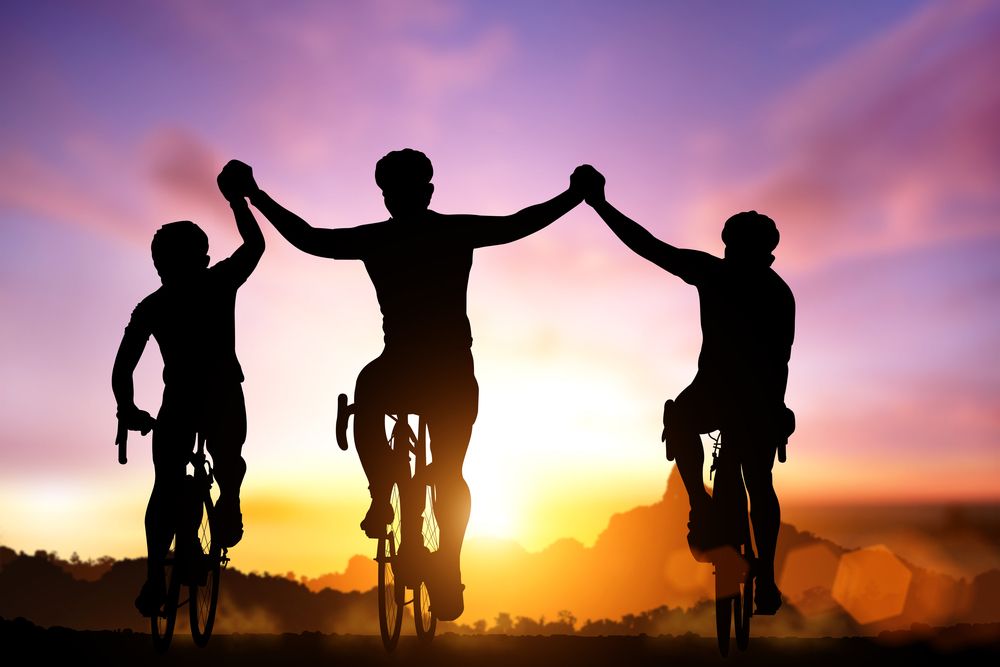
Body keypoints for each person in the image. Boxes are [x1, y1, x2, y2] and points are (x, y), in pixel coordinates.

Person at [218, 152, 593, 620]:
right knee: (447, 469)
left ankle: (387, 502)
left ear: (405, 195)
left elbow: (310, 239)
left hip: (413, 369)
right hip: (450, 372)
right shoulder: (452, 231)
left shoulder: (382, 237)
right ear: (424, 192)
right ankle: (423, 543)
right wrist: (576, 197)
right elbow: (520, 223)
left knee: (379, 402)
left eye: (398, 192)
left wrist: (254, 196)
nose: (398, 200)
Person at [579, 165, 794, 615]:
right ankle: (766, 577)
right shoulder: (778, 292)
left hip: (721, 395)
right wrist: (777, 412)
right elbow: (781, 360)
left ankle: (700, 506)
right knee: (759, 482)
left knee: (681, 421)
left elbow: (650, 248)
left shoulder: (714, 273)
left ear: (730, 246)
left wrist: (600, 205)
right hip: (758, 402)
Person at [112, 169, 265, 617]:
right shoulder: (217, 282)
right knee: (227, 458)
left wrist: (127, 407)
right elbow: (255, 248)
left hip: (180, 401)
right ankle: (229, 503)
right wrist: (238, 202)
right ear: (202, 258)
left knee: (166, 485)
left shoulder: (153, 305)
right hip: (218, 394)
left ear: (160, 265)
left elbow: (124, 365)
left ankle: (155, 577)